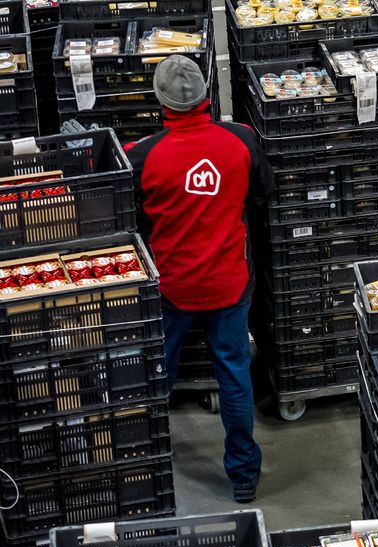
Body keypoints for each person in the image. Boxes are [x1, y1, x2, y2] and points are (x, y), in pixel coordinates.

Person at [127, 55, 272, 503]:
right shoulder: (241, 140)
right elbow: (263, 196)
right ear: (206, 92)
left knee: (158, 375)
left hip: (173, 288)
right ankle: (244, 476)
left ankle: (143, 463)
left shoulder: (141, 156)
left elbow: (134, 224)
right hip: (229, 283)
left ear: (161, 100)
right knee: (233, 374)